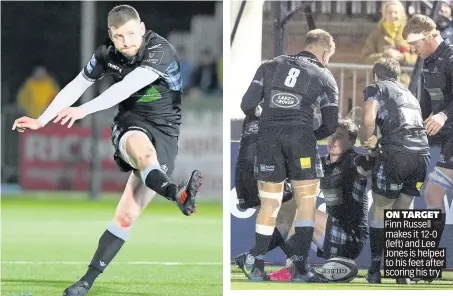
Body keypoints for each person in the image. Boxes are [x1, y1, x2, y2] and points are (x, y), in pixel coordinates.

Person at [12, 5, 203, 296]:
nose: (125, 42)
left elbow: (125, 87)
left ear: (141, 28)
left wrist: (83, 110)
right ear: (111, 37)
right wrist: (42, 119)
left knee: (126, 217)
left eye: (130, 33)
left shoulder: (159, 50)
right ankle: (85, 283)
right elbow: (78, 83)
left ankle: (175, 193)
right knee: (144, 155)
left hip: (166, 130)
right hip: (131, 122)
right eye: (118, 37)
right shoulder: (106, 54)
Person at [239, 29, 339, 282]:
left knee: (269, 204)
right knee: (306, 204)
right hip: (301, 140)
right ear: (325, 52)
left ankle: (257, 267)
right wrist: (306, 135)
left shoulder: (270, 65)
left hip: (269, 138)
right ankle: (301, 269)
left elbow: (247, 105)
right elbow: (330, 124)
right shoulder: (325, 76)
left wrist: (271, 120)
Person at [235, 120, 374, 282]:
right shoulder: (321, 163)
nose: (333, 140)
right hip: (327, 238)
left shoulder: (354, 162)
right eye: (332, 135)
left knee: (302, 211)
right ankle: (279, 264)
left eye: (340, 137)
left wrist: (374, 147)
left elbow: (370, 163)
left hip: (349, 240)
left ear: (351, 142)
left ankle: (268, 262)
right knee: (280, 208)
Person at [360, 57, 430, 284]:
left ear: (376, 75)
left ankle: (375, 269)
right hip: (421, 155)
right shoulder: (410, 94)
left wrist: (367, 141)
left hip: (395, 154)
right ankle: (402, 272)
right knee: (404, 210)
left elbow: (369, 116)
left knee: (381, 208)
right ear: (399, 76)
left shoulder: (376, 87)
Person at [402, 14, 453, 282]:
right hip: (449, 140)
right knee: (433, 195)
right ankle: (427, 265)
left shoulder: (451, 57)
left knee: (433, 193)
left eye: (415, 43)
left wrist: (444, 115)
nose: (413, 50)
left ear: (430, 35)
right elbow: (425, 107)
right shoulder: (429, 62)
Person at [361, 0, 417, 87]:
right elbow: (365, 58)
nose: (393, 15)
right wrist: (384, 56)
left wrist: (402, 57)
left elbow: (419, 58)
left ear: (401, 15)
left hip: (405, 84)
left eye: (396, 12)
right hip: (382, 84)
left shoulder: (410, 35)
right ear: (384, 15)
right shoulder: (376, 35)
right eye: (389, 13)